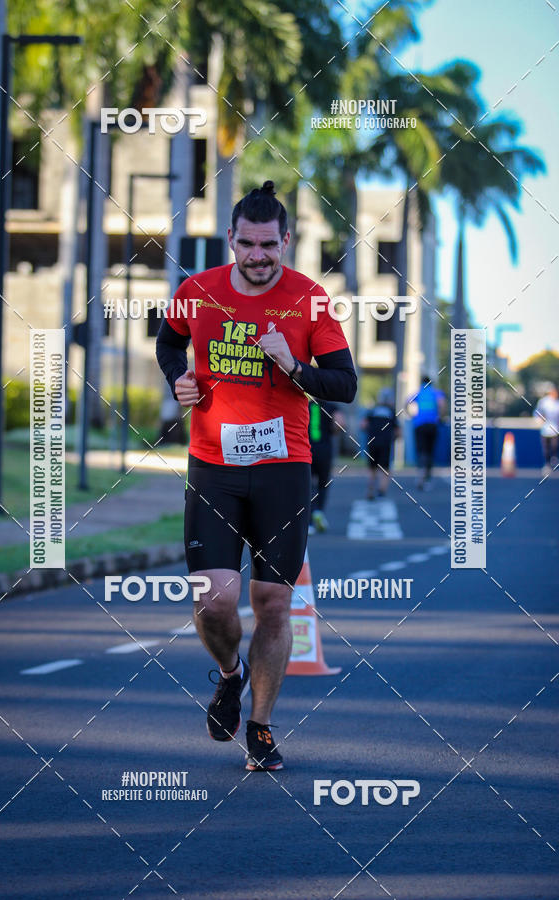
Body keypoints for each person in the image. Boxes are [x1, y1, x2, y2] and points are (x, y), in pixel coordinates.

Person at [156, 181, 356, 771]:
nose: (258, 255)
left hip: (282, 470)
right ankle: (228, 673)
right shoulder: (196, 292)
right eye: (247, 244)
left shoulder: (310, 300)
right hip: (213, 467)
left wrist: (294, 366)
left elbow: (345, 384)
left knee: (272, 602)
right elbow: (168, 344)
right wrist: (178, 379)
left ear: (286, 242)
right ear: (231, 239)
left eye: (269, 245)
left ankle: (262, 728)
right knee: (214, 600)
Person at [307, 400, 345, 533]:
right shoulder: (331, 406)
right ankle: (319, 511)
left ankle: (309, 522)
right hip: (324, 449)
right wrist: (334, 431)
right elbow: (340, 423)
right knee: (323, 483)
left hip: (307, 449)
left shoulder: (308, 405)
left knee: (308, 485)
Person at [407, 375, 446, 490]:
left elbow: (406, 402)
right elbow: (442, 404)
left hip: (419, 425)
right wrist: (441, 417)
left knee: (421, 451)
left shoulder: (419, 392)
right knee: (430, 451)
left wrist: (411, 416)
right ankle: (427, 477)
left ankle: (421, 475)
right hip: (432, 425)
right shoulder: (436, 392)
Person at [361, 387, 399, 500]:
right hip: (385, 444)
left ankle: (370, 490)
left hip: (372, 443)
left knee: (372, 468)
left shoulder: (372, 411)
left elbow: (363, 425)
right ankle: (381, 491)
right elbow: (398, 432)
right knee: (385, 468)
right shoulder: (391, 413)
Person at [534, 385, 559, 474]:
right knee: (546, 448)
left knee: (554, 446)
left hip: (556, 429)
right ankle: (547, 464)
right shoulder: (544, 402)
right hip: (545, 429)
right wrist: (539, 419)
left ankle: (554, 460)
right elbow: (537, 412)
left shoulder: (557, 403)